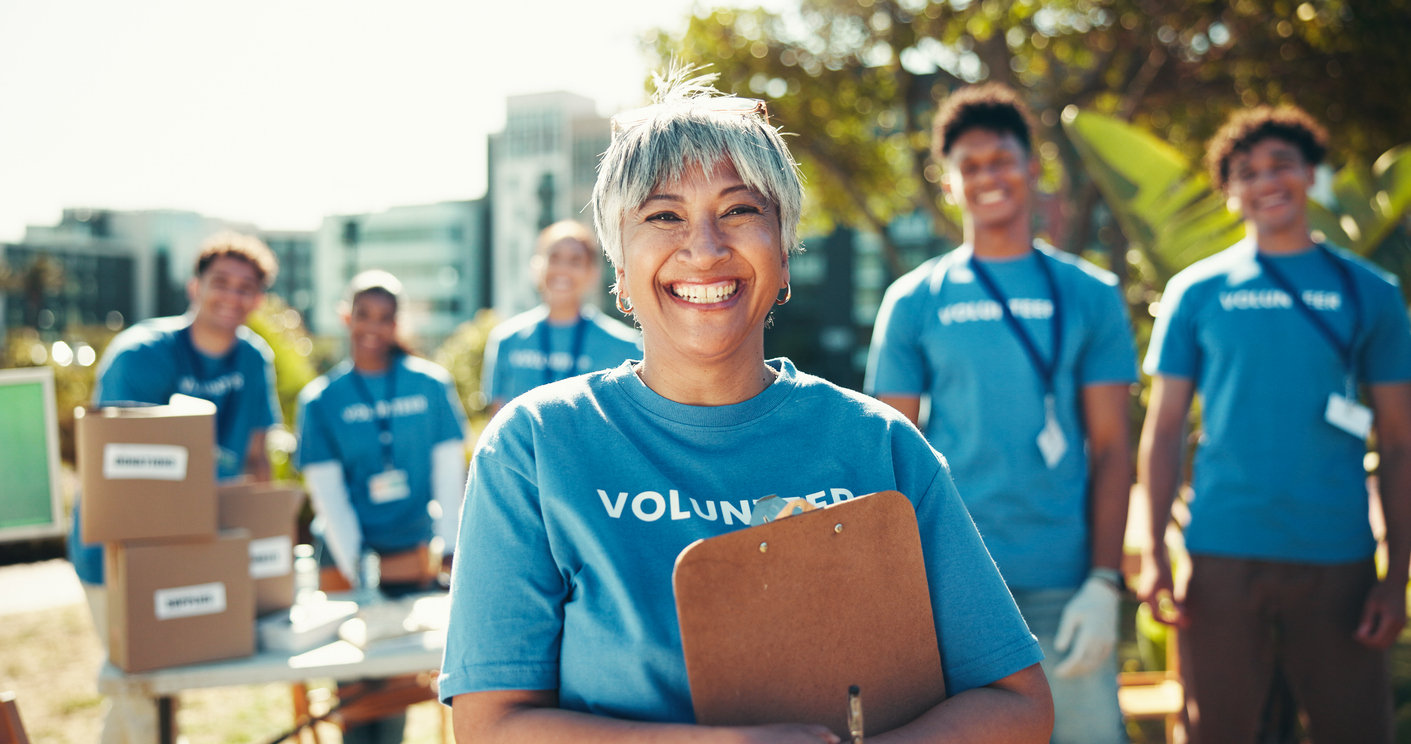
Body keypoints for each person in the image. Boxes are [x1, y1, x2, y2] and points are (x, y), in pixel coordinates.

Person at [439, 70, 1053, 743]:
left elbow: (1015, 704)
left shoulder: (879, 444)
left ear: (784, 255)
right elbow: (489, 725)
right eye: (662, 215)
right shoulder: (535, 447)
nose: (703, 249)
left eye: (738, 210)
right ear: (617, 268)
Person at [865, 83, 1136, 744]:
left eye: (1002, 159)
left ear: (1032, 166)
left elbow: (1110, 448)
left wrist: (1104, 581)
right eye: (970, 165)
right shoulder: (913, 299)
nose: (987, 176)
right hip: (951, 585)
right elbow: (885, 453)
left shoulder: (1090, 294)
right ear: (948, 181)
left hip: (1063, 585)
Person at [1137, 105, 1411, 743]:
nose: (1267, 181)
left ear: (1311, 175)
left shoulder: (1371, 291)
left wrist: (1395, 578)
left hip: (1338, 555)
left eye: (1281, 164)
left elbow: (1399, 442)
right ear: (1230, 193)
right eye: (1247, 172)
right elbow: (1165, 427)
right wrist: (1153, 553)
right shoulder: (1195, 291)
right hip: (1221, 555)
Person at [69, 231, 283, 744]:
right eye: (221, 283)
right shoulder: (141, 355)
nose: (233, 296)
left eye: (247, 287)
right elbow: (121, 473)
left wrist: (263, 542)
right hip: (121, 551)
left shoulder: (254, 360)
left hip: (196, 544)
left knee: (161, 695)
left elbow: (257, 460)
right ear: (194, 285)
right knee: (140, 692)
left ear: (259, 297)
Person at [296, 270, 469, 744]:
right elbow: (327, 497)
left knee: (395, 687)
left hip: (414, 553)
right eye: (363, 315)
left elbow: (449, 479)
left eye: (385, 317)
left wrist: (449, 550)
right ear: (345, 316)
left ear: (398, 322)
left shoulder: (431, 385)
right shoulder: (321, 400)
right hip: (344, 556)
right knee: (353, 690)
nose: (373, 326)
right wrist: (364, 567)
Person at [481, 220, 640, 415]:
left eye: (575, 261)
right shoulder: (507, 339)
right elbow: (497, 424)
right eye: (554, 258)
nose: (563, 269)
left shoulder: (626, 346)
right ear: (536, 266)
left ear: (593, 273)